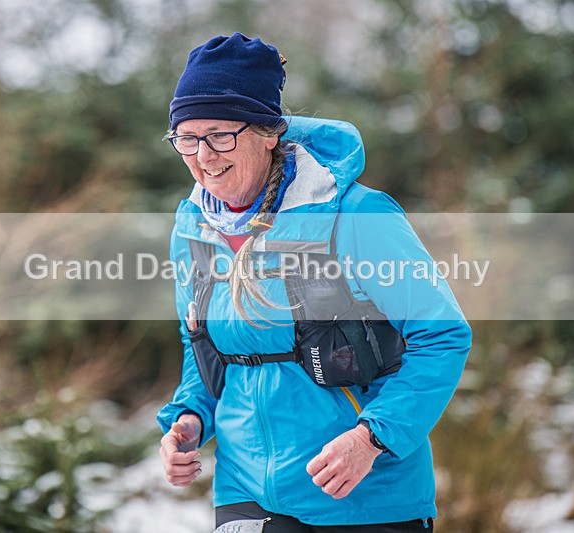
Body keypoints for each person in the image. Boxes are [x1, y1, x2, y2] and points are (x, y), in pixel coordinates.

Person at [157, 32, 471, 532]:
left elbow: (443, 336)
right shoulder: (192, 226)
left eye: (220, 135)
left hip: (360, 493)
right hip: (242, 491)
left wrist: (370, 440)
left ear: (268, 132)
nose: (202, 156)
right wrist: (191, 417)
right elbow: (202, 347)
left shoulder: (355, 214)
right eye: (187, 138)